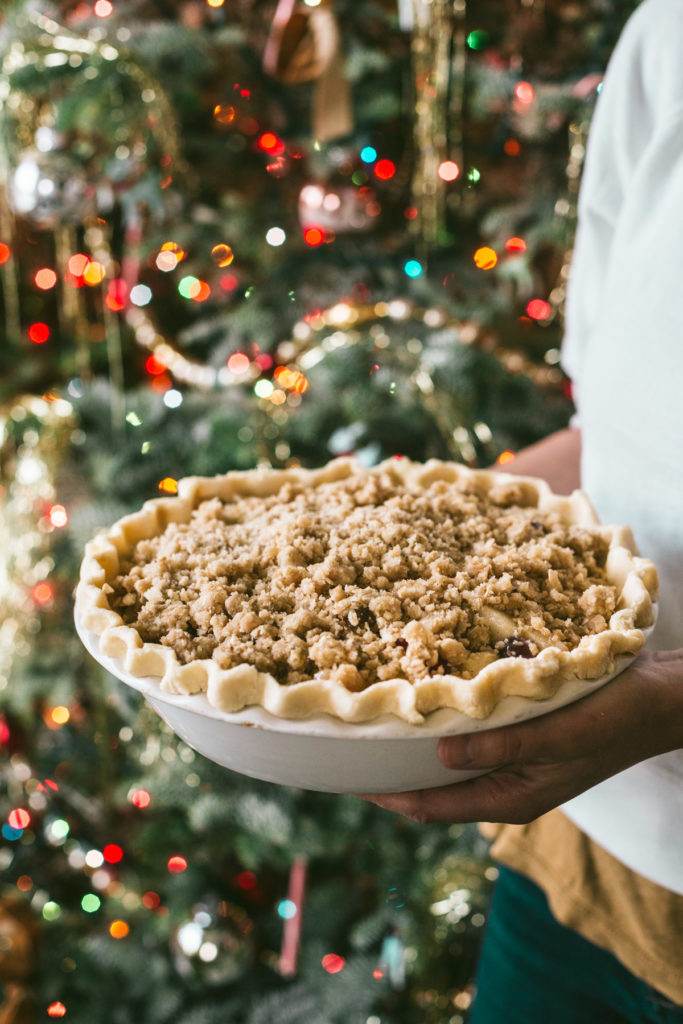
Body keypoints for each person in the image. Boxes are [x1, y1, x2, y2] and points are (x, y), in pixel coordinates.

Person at [361, 0, 683, 1017]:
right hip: (574, 859)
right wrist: (399, 524)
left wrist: (668, 705)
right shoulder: (666, 39)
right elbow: (611, 436)